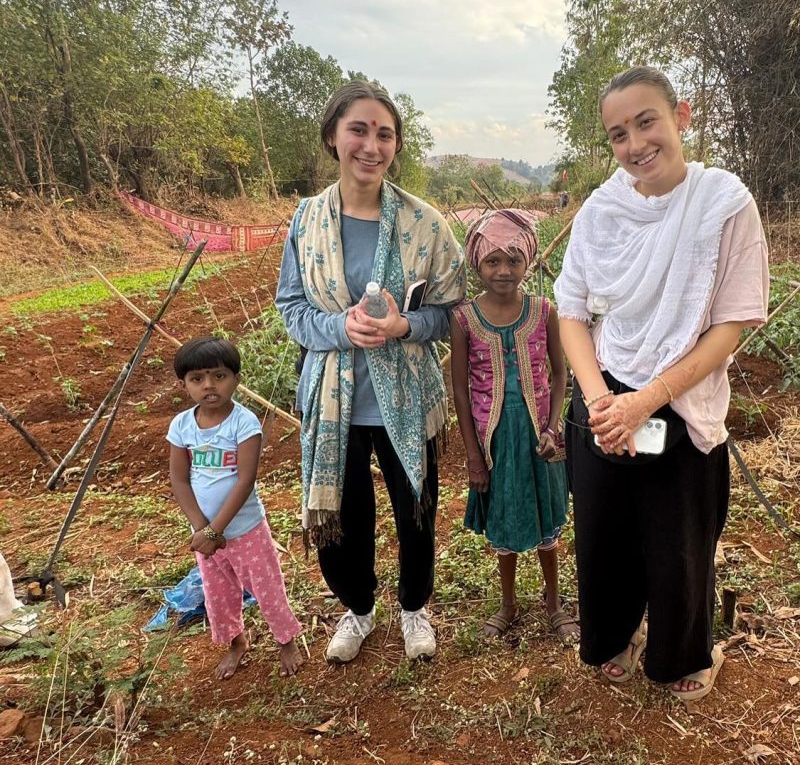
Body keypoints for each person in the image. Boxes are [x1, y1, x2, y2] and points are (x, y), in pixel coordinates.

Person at [554, 66, 769, 700]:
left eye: (646, 121)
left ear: (682, 115)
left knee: (678, 540)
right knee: (605, 531)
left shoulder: (723, 204)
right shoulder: (602, 209)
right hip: (604, 393)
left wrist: (646, 400)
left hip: (677, 402)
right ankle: (613, 634)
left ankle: (683, 653)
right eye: (618, 134)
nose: (635, 144)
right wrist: (601, 402)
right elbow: (571, 310)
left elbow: (730, 326)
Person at [275, 80, 465, 664]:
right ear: (333, 137)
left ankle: (414, 608)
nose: (371, 144)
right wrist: (341, 330)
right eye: (358, 129)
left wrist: (404, 327)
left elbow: (453, 310)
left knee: (416, 512)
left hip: (407, 398)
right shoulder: (307, 221)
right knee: (344, 516)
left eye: (384, 133)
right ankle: (358, 609)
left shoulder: (424, 224)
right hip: (335, 404)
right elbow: (290, 306)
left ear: (396, 145)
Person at [449, 210, 578, 644]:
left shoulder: (544, 311)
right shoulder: (464, 318)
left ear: (528, 263)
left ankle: (554, 603)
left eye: (513, 260)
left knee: (547, 524)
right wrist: (472, 455)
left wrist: (553, 427)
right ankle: (508, 603)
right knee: (503, 518)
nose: (503, 271)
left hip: (539, 440)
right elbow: (462, 392)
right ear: (477, 265)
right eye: (493, 261)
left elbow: (560, 375)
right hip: (495, 442)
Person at [167, 336, 303, 680]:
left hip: (245, 530)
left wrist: (217, 530)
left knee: (266, 588)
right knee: (218, 594)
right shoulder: (181, 426)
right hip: (205, 535)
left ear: (236, 379)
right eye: (197, 379)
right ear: (184, 385)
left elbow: (245, 480)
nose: (209, 386)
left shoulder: (244, 423)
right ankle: (236, 642)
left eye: (219, 376)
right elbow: (180, 481)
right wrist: (201, 528)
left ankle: (286, 640)